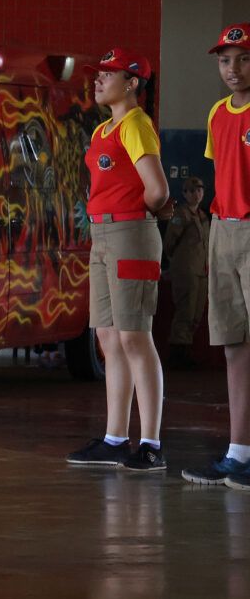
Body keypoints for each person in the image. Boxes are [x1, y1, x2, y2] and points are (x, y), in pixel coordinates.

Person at [66, 48, 171, 472]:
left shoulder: (135, 124)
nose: (97, 80)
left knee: (133, 337)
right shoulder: (102, 130)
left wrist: (135, 213)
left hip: (130, 232)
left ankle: (150, 443)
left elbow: (159, 191)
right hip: (102, 232)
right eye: (97, 73)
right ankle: (114, 438)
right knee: (108, 339)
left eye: (108, 74)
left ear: (132, 83)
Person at [182, 24, 250, 488]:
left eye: (243, 58)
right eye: (225, 60)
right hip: (222, 230)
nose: (233, 68)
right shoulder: (216, 114)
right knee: (233, 346)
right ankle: (238, 453)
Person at [163, 176, 210, 369]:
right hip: (186, 270)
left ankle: (186, 352)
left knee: (196, 313)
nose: (196, 194)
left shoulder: (203, 215)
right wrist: (177, 263)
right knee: (185, 311)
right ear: (185, 194)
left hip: (200, 271)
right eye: (191, 191)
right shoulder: (180, 215)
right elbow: (170, 243)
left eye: (199, 190)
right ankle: (177, 355)